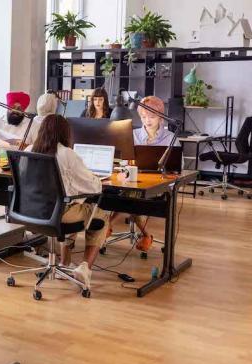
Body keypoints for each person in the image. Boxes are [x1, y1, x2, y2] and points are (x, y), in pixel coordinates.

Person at [26, 115, 109, 289]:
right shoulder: (67, 154)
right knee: (100, 216)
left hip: (31, 212)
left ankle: (65, 262)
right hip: (59, 213)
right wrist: (97, 179)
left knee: (78, 207)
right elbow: (94, 187)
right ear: (65, 133)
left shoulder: (28, 151)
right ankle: (85, 268)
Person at [108, 95, 179, 252]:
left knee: (133, 196)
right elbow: (124, 160)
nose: (148, 120)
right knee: (121, 194)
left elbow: (175, 169)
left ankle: (110, 225)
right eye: (144, 116)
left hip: (158, 184)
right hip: (133, 180)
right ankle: (145, 234)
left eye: (152, 116)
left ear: (161, 117)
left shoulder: (170, 138)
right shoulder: (133, 135)